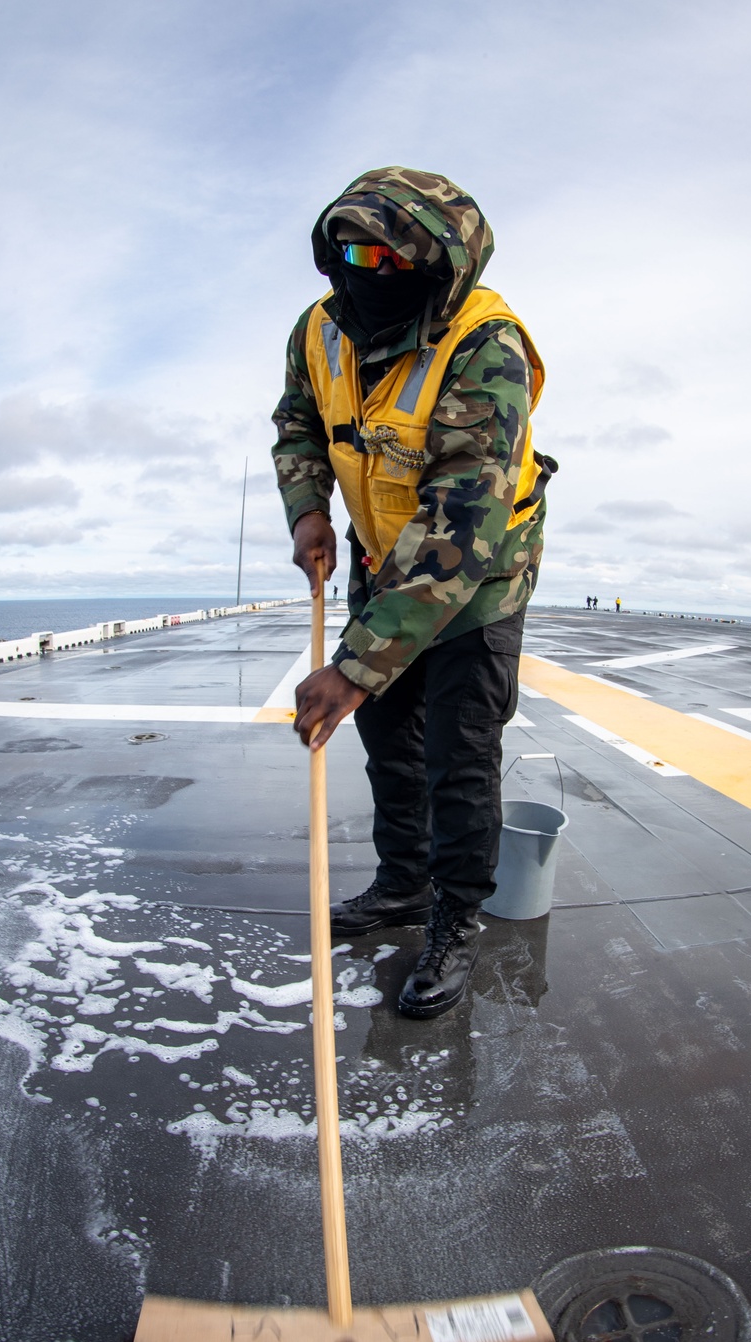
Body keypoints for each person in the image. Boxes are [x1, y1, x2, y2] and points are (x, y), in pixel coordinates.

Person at [272, 167, 554, 1019]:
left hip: (478, 581)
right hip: (380, 561)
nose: (364, 271)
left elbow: (463, 518)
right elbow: (298, 422)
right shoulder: (320, 330)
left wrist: (353, 669)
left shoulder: (484, 344)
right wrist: (307, 514)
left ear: (437, 264)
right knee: (390, 745)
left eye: (387, 258)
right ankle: (402, 885)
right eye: (349, 251)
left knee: (459, 760)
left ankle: (455, 919)